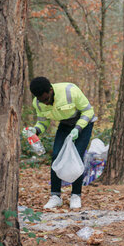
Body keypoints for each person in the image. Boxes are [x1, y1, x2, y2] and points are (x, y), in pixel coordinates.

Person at [23, 77, 96, 209]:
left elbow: (88, 111)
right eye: (41, 100)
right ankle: (55, 196)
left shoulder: (70, 90)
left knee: (76, 156)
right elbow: (43, 121)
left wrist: (78, 129)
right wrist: (36, 130)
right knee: (56, 155)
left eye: (46, 99)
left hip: (83, 124)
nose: (45, 103)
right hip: (65, 125)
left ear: (51, 90)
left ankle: (76, 195)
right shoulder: (38, 103)